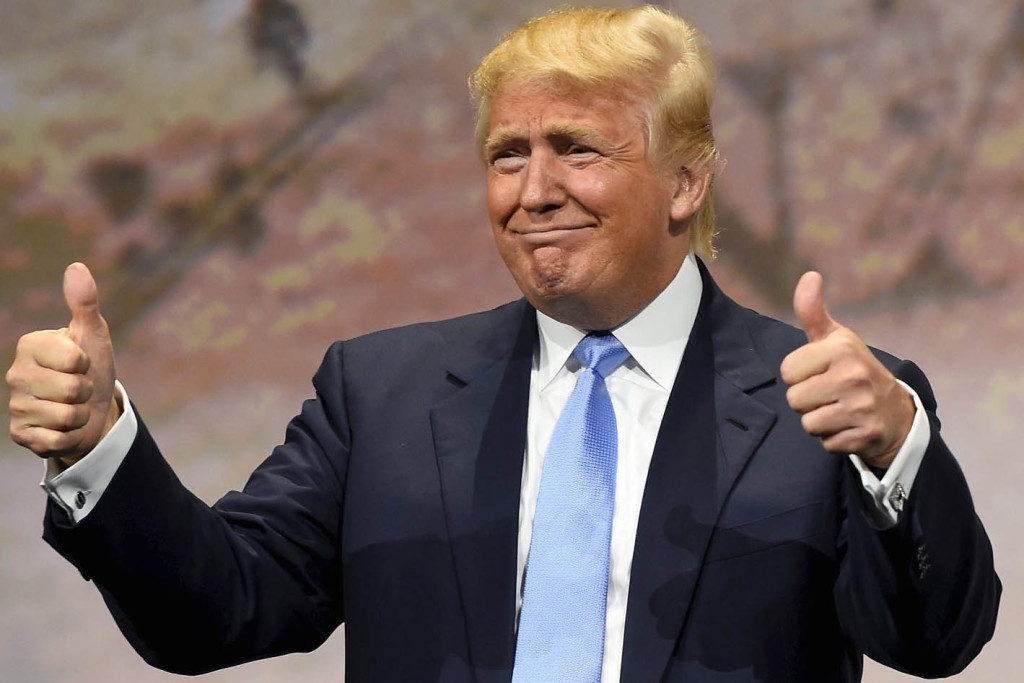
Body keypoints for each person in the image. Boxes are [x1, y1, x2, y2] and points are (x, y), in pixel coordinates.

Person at [5, 6, 999, 683]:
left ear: (686, 182)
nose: (533, 192)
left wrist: (894, 447)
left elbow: (935, 639)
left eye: (576, 149)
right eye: (506, 155)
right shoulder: (382, 394)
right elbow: (215, 608)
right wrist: (99, 444)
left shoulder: (825, 405)